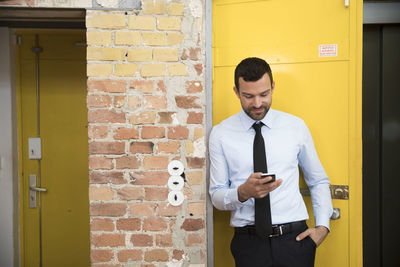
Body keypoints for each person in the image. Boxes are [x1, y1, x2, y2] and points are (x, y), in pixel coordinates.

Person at [209, 57, 333, 267]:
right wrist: (242, 192)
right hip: (248, 244)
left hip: (295, 241)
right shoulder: (221, 134)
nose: (257, 104)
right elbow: (216, 195)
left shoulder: (295, 127)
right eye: (248, 96)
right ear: (236, 92)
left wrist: (322, 228)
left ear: (273, 87)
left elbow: (318, 180)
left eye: (264, 94)